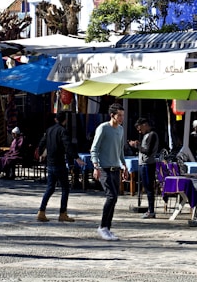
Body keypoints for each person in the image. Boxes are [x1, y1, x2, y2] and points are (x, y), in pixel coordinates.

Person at [90, 102, 128, 241]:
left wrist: (124, 165)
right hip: (104, 168)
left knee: (115, 198)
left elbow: (120, 150)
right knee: (111, 196)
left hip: (116, 168)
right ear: (112, 115)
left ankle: (107, 228)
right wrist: (96, 166)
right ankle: (102, 227)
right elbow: (94, 148)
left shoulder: (121, 130)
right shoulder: (103, 128)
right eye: (119, 115)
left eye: (123, 115)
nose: (121, 118)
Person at [37, 111, 84, 223]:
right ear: (65, 120)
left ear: (55, 119)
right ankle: (63, 213)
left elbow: (41, 143)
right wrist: (76, 158)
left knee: (50, 188)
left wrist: (40, 154)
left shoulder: (49, 130)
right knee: (65, 188)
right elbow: (67, 145)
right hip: (59, 163)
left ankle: (41, 212)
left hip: (50, 163)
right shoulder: (63, 131)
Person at [129, 117, 159, 219]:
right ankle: (150, 210)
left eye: (139, 128)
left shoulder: (152, 135)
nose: (139, 130)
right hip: (143, 164)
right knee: (146, 187)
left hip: (148, 164)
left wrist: (137, 146)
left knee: (149, 188)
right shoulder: (146, 135)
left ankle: (151, 211)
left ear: (144, 124)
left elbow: (148, 151)